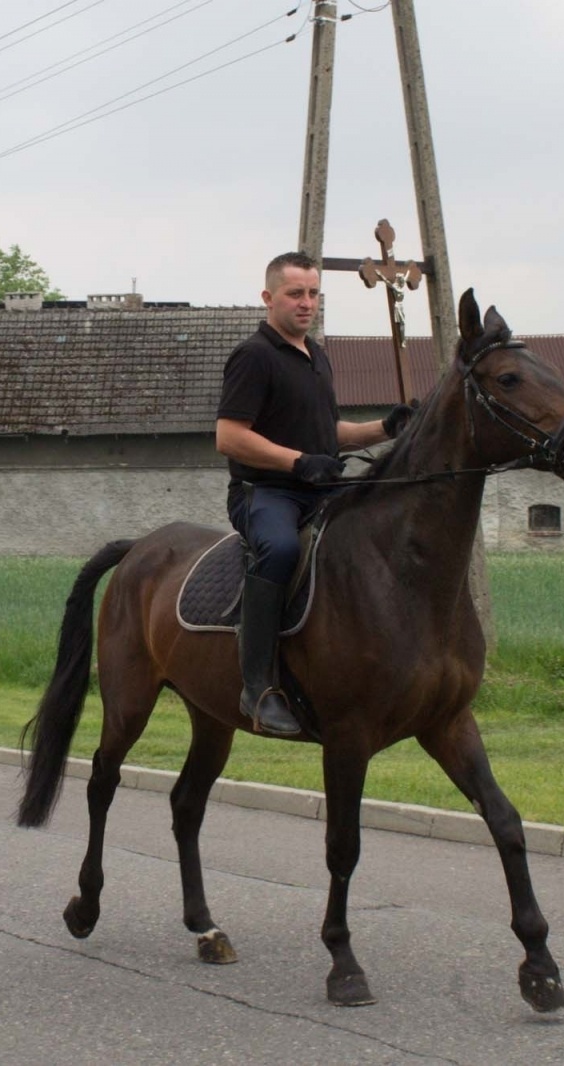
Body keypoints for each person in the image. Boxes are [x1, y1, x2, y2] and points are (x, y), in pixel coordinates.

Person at [214, 251, 415, 736]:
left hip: (319, 490)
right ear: (268, 298)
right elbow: (230, 437)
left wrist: (386, 427)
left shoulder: (316, 356)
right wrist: (298, 462)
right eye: (295, 294)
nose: (306, 303)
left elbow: (328, 433)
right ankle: (258, 687)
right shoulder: (254, 356)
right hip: (265, 493)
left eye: (313, 293)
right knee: (281, 549)